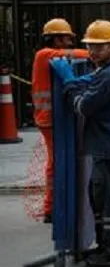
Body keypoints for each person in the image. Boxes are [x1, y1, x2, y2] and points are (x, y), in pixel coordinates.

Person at [50, 19, 110, 267]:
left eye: (99, 47)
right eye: (90, 46)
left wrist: (68, 85)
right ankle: (106, 245)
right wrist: (84, 81)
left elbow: (83, 107)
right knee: (99, 195)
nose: (93, 52)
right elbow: (96, 80)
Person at [31, 18, 90, 224]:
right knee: (56, 163)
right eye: (66, 38)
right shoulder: (44, 55)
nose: (69, 42)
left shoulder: (49, 57)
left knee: (59, 162)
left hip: (55, 119)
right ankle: (51, 207)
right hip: (49, 120)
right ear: (54, 39)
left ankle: (57, 204)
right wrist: (96, 53)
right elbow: (75, 55)